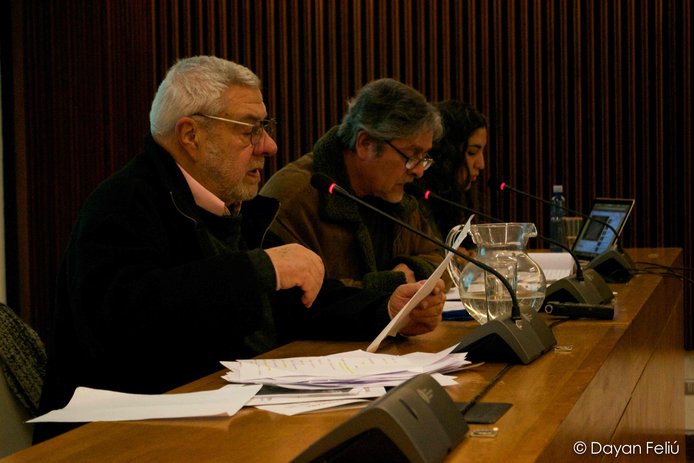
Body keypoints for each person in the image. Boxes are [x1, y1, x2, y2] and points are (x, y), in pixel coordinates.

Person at [35, 57, 445, 441]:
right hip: (121, 437)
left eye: (264, 128)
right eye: (249, 130)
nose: (269, 146)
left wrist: (386, 309)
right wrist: (260, 269)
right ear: (191, 135)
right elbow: (124, 320)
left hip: (223, 420)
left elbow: (299, 300)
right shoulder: (122, 204)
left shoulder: (230, 207)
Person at [260, 78, 445, 292]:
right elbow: (306, 297)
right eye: (412, 156)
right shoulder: (294, 198)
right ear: (365, 144)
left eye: (424, 157)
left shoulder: (395, 193)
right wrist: (392, 286)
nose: (419, 171)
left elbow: (438, 256)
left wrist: (415, 270)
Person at [415, 100, 488, 241]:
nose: (481, 164)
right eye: (472, 152)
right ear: (447, 154)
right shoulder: (418, 201)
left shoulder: (457, 200)